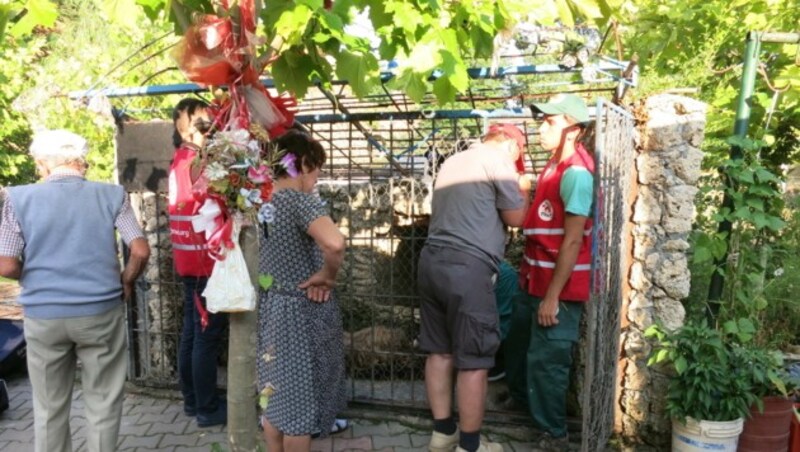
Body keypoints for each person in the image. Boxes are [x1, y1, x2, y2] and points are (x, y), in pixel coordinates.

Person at [0, 129, 150, 452]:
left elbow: (6, 265)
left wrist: (36, 277)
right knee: (103, 405)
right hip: (100, 312)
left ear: (43, 164)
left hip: (44, 317)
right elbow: (139, 250)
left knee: (49, 409)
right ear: (80, 161)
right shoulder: (112, 195)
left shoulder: (18, 198)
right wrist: (125, 281)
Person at [417, 123, 531, 452]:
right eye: (519, 154)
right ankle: (469, 447)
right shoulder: (499, 162)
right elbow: (515, 218)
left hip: (431, 261)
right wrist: (523, 188)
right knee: (475, 359)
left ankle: (442, 433)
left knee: (439, 351)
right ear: (511, 145)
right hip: (467, 269)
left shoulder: (454, 160)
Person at [504, 93, 594, 450]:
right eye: (542, 121)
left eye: (550, 122)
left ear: (573, 129)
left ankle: (554, 433)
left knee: (548, 361)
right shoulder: (554, 164)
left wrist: (553, 297)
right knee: (517, 345)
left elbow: (572, 242)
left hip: (559, 287)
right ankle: (522, 402)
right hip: (532, 277)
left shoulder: (576, 174)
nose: (542, 128)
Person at [257, 130, 347, 452]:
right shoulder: (298, 201)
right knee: (298, 410)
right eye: (317, 167)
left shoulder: (258, 199)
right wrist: (327, 275)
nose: (318, 176)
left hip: (269, 308)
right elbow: (335, 243)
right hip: (300, 314)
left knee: (273, 399)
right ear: (303, 163)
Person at [168, 98, 228, 427]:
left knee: (192, 333)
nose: (212, 120)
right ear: (189, 123)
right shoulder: (199, 161)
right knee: (205, 335)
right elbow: (217, 200)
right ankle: (207, 408)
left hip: (188, 257)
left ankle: (193, 401)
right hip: (205, 258)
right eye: (205, 116)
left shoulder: (180, 158)